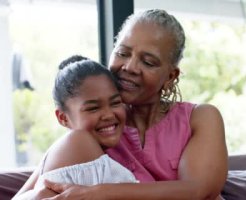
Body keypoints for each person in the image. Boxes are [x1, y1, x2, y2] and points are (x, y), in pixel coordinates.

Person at [14, 9, 228, 200]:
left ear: (171, 76)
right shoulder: (101, 125)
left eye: (148, 62)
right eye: (122, 53)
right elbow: (33, 190)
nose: (130, 67)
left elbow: (199, 191)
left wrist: (98, 192)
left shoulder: (200, 118)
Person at [13, 55, 138, 199]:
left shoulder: (64, 152)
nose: (108, 115)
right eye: (93, 108)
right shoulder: (80, 141)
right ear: (63, 118)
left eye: (115, 103)